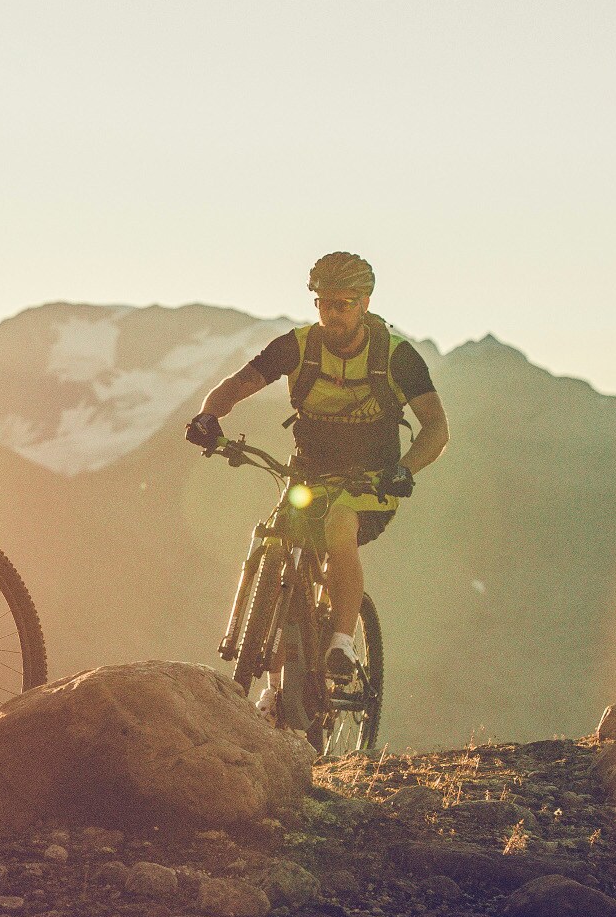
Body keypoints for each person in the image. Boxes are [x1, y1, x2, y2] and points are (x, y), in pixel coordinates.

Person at [185, 251, 448, 697]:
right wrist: (209, 416)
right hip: (308, 474)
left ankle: (342, 644)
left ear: (365, 303)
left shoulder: (397, 357)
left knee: (338, 525)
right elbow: (236, 384)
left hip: (372, 480)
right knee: (280, 537)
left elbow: (436, 429)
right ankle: (276, 683)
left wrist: (405, 469)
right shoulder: (299, 346)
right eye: (323, 304)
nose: (331, 314)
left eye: (342, 304)